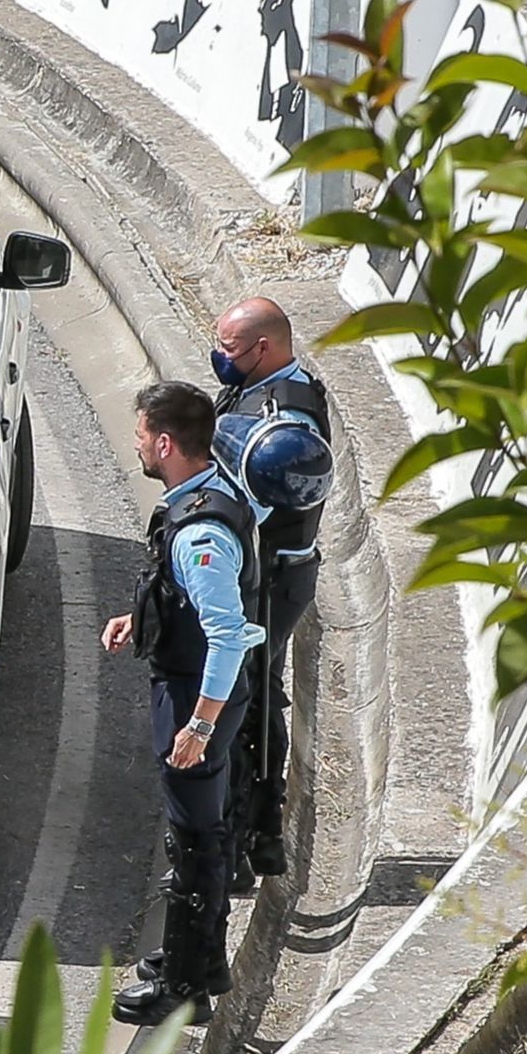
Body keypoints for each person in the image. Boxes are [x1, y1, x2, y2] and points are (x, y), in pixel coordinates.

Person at [102, 381, 264, 1026]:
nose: (137, 445)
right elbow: (190, 601)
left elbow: (227, 633)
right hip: (198, 686)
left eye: (141, 435)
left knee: (195, 842)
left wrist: (199, 724)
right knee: (202, 832)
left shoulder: (200, 532)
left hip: (198, 698)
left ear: (165, 442)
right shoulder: (209, 493)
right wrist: (138, 618)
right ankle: (192, 959)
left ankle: (186, 988)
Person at [211, 296, 333, 886]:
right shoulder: (259, 391)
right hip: (265, 574)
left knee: (245, 704)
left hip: (271, 578)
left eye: (230, 348)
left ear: (265, 348)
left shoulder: (291, 416)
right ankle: (259, 837)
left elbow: (270, 497)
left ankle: (243, 838)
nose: (221, 358)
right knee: (257, 697)